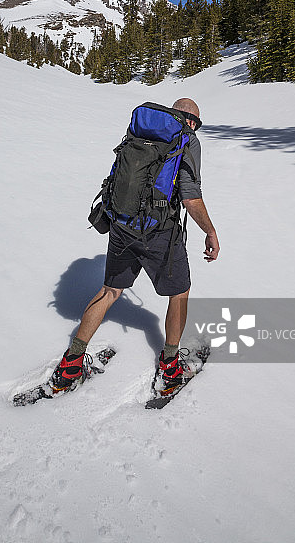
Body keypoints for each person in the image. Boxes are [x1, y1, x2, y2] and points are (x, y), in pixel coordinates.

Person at [52, 98, 220, 392]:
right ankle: (170, 365)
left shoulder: (140, 131)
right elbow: (191, 197)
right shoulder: (187, 139)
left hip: (121, 225)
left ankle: (71, 363)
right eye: (197, 123)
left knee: (109, 291)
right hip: (159, 234)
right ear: (191, 120)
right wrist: (210, 231)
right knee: (179, 293)